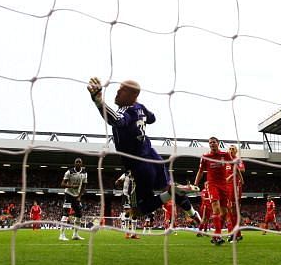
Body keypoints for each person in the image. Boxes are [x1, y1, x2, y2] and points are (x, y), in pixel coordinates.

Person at [87, 77, 201, 223]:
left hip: (139, 165)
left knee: (139, 210)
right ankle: (193, 213)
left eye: (122, 90)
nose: (117, 92)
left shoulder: (125, 111)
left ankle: (174, 193)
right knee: (168, 187)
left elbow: (116, 120)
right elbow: (152, 118)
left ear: (132, 96)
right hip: (154, 157)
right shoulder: (140, 106)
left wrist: (99, 102)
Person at [194, 136, 233, 245]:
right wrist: (195, 184)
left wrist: (235, 175)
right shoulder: (206, 156)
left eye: (213, 142)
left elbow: (234, 165)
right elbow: (200, 171)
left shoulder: (225, 155)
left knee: (224, 213)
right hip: (212, 185)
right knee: (216, 209)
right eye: (210, 142)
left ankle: (215, 235)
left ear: (218, 143)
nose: (212, 144)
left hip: (224, 185)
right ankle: (218, 235)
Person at [59, 157, 87, 241]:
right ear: (74, 163)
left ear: (81, 164)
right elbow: (62, 184)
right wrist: (71, 186)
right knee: (65, 214)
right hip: (68, 194)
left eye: (79, 162)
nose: (78, 163)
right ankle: (62, 235)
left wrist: (79, 196)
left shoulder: (84, 173)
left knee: (79, 214)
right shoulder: (69, 172)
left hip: (76, 196)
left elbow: (84, 186)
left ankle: (75, 234)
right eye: (77, 162)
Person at [225, 144, 245, 242]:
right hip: (226, 187)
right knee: (229, 210)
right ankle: (235, 233)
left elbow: (242, 169)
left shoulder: (237, 160)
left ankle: (234, 234)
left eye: (233, 149)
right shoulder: (225, 161)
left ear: (236, 151)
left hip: (235, 186)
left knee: (233, 209)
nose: (231, 150)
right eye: (230, 149)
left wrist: (231, 175)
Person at [115, 170, 139, 239]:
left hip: (134, 196)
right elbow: (117, 182)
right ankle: (127, 232)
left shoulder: (138, 175)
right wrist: (118, 181)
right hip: (126, 195)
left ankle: (133, 233)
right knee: (127, 213)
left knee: (134, 214)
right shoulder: (125, 174)